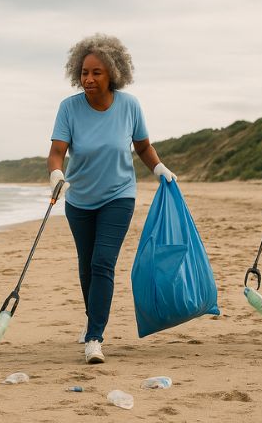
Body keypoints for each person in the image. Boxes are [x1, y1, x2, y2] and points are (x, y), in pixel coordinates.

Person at [47, 33, 176, 364]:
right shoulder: (69, 109)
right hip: (79, 201)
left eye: (96, 73)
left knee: (103, 262)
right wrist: (56, 174)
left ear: (114, 73)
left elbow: (143, 147)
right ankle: (93, 317)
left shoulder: (129, 106)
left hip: (119, 196)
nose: (88, 79)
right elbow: (57, 152)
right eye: (84, 72)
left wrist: (159, 168)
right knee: (87, 264)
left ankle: (95, 337)